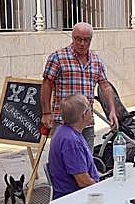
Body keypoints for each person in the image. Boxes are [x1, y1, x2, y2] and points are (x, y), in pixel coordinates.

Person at [47, 94, 126, 204]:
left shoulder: (69, 133)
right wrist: (104, 186)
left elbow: (86, 171)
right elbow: (82, 181)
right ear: (84, 115)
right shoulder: (71, 140)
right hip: (73, 195)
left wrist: (103, 177)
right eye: (90, 110)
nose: (92, 112)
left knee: (123, 200)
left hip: (79, 188)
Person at [41, 22, 118, 150]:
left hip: (86, 123)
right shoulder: (58, 57)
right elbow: (46, 84)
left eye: (86, 40)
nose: (82, 43)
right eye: (78, 39)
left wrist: (112, 111)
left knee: (87, 160)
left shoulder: (96, 61)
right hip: (63, 122)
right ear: (72, 37)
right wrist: (46, 113)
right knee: (64, 161)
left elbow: (105, 86)